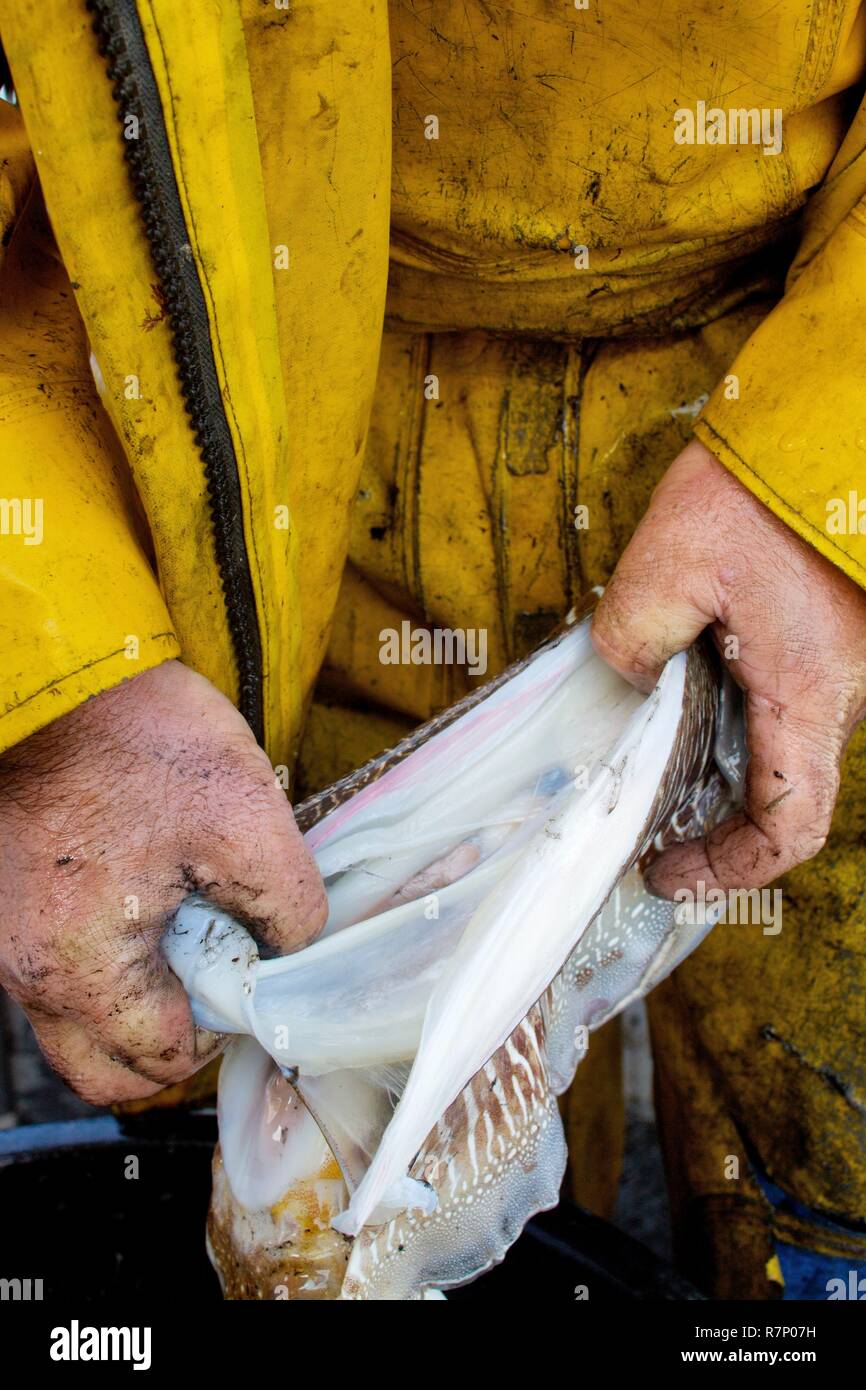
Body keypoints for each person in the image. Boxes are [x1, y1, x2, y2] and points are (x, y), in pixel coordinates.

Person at [1, 2, 865, 1297]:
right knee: (329, 1182)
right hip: (243, 416)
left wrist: (824, 482)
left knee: (827, 1153)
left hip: (787, 367)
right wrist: (50, 678)